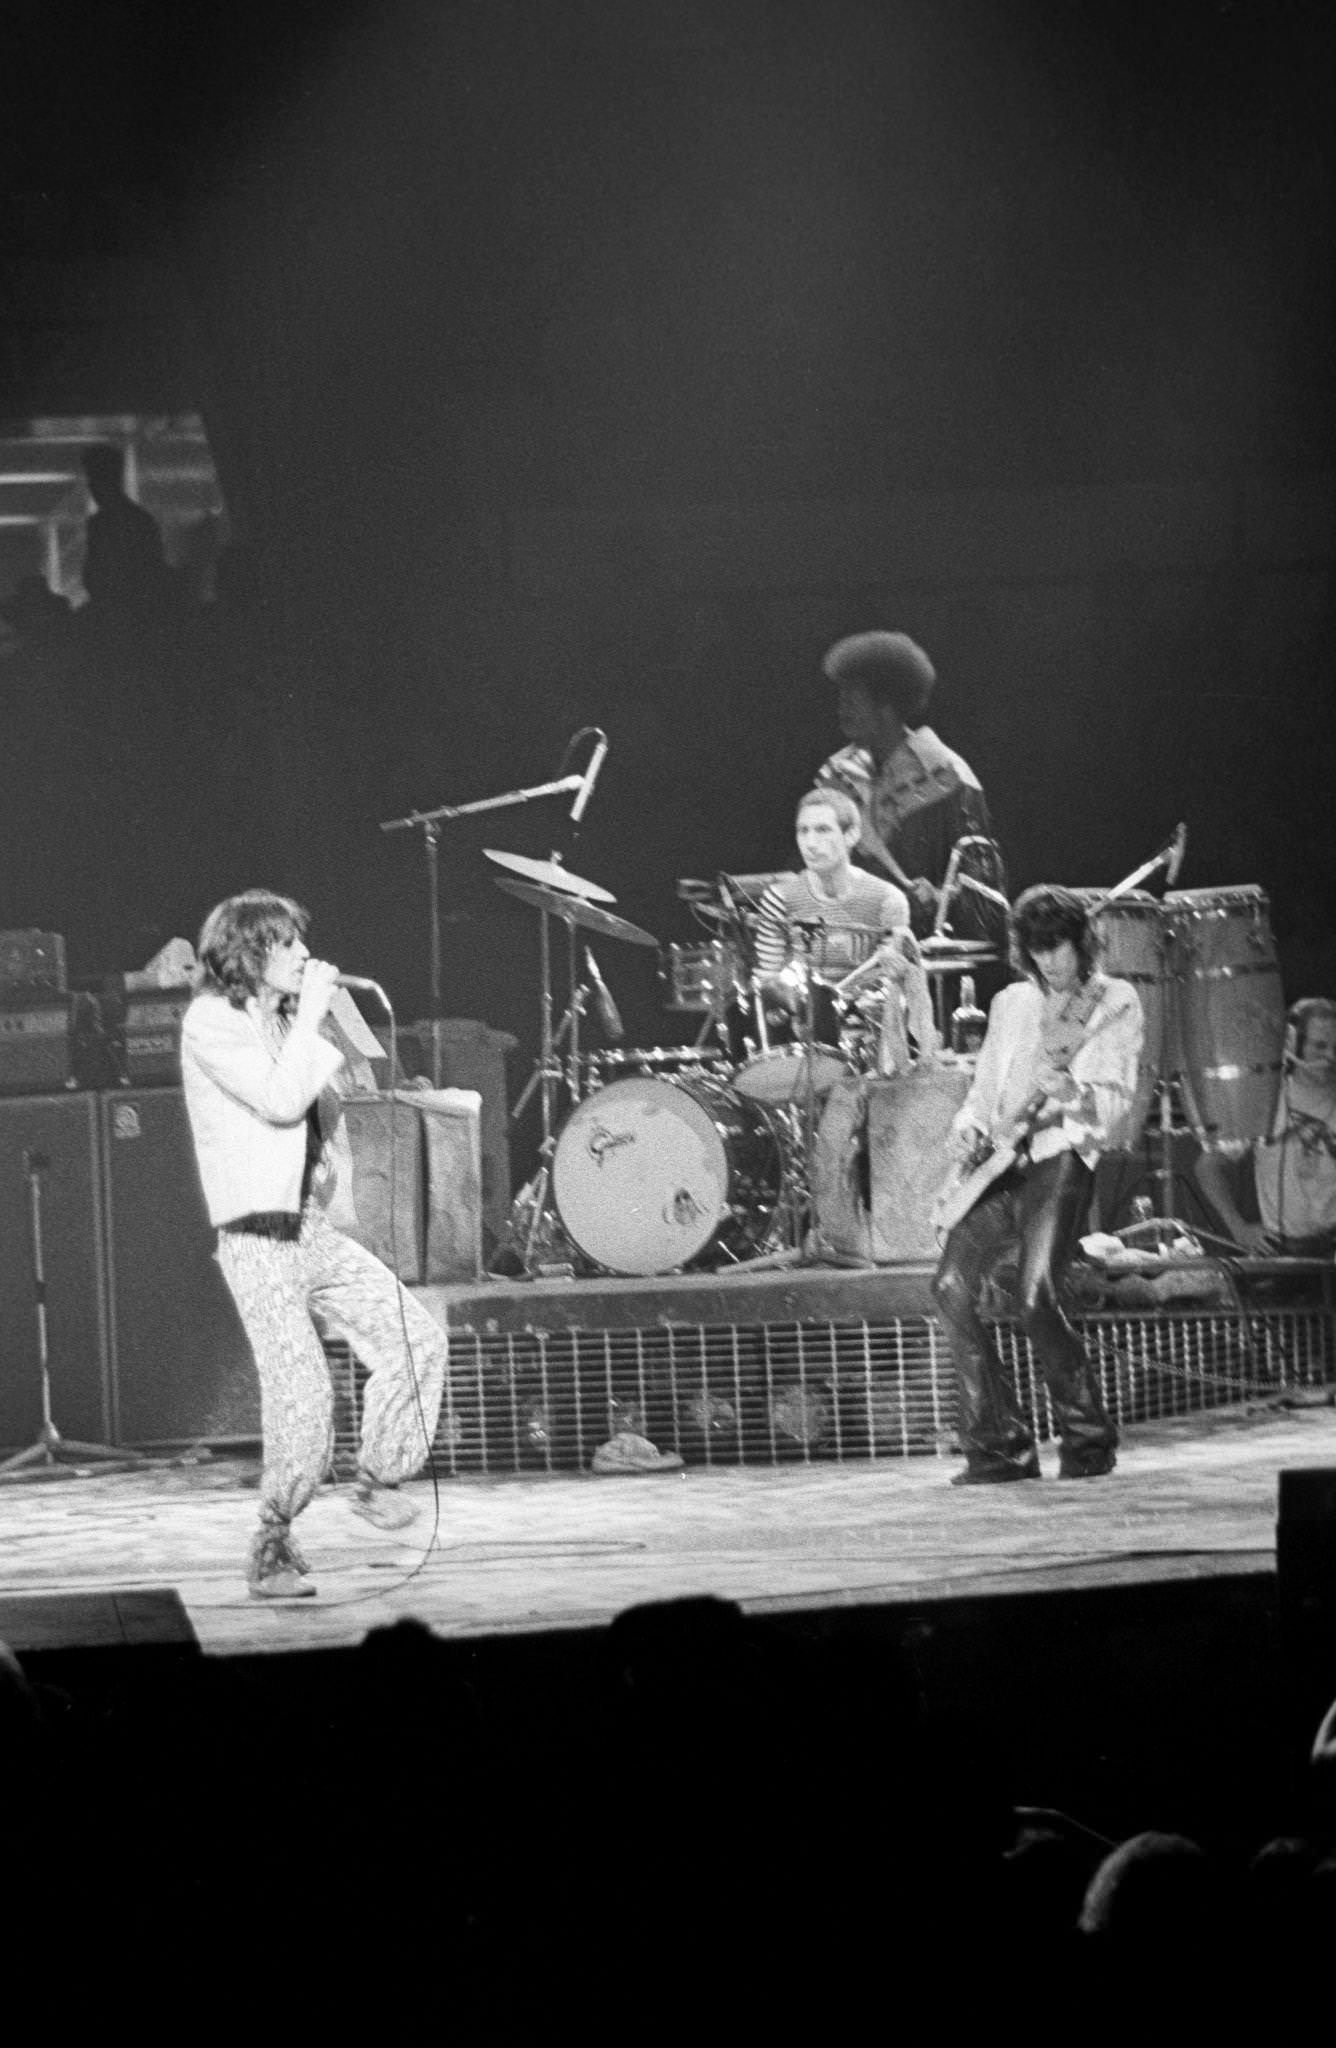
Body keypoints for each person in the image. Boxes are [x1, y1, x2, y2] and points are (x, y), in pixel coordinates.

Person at [180, 890, 448, 1599]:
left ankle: (378, 1476)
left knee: (414, 1336)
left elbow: (332, 1114)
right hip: (258, 1239)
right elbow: (277, 1099)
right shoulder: (212, 1022)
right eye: (288, 945)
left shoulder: (289, 1018)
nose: (304, 955)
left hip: (312, 1229)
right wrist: (309, 1023)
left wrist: (320, 1018)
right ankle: (271, 1543)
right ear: (251, 953)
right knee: (303, 1391)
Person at [932, 886, 1143, 1484]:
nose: (1051, 961)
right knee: (949, 1285)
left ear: (1081, 943)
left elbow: (1115, 1107)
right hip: (1002, 1163)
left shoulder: (1113, 1001)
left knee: (1035, 1295)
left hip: (1061, 1156)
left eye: (1060, 947)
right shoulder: (1011, 1003)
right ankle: (999, 1446)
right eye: (1038, 949)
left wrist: (1073, 1094)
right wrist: (968, 1128)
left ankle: (1087, 1438)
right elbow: (983, 1092)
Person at [815, 629, 1005, 939]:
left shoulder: (949, 777)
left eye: (852, 698)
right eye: (841, 697)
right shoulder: (837, 776)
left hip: (927, 956)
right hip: (852, 949)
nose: (841, 708)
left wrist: (944, 898)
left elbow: (984, 893)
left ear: (886, 707)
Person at [752, 786, 936, 1069]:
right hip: (804, 1035)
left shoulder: (887, 898)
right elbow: (768, 981)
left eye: (823, 830)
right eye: (803, 831)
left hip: (870, 1035)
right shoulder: (780, 897)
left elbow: (893, 981)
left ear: (851, 836)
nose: (810, 843)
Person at [1193, 997, 1336, 1257]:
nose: (1331, 1057)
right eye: (1320, 1046)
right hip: (1283, 1253)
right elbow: (1208, 1166)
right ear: (1292, 1041)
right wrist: (1238, 1227)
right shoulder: (1264, 1100)